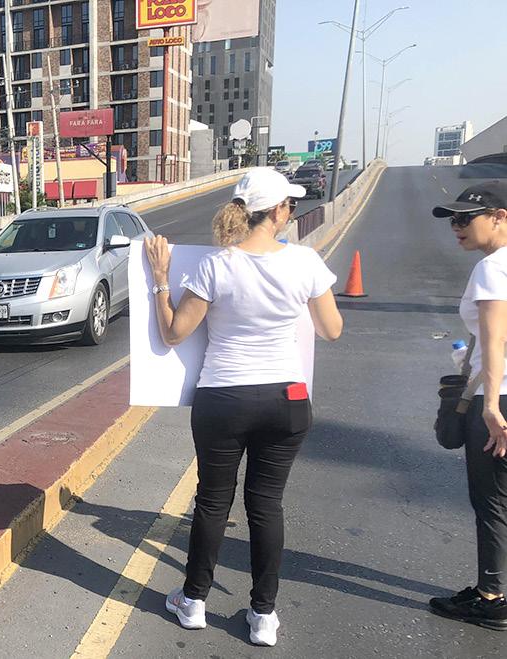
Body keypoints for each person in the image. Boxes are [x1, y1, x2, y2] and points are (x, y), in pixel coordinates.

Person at [144, 168, 343, 646]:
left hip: (224, 397)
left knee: (213, 501)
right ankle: (263, 616)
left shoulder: (216, 265)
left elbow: (173, 334)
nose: (291, 211)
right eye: (289, 204)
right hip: (286, 398)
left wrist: (160, 280)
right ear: (277, 212)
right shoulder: (305, 262)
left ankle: (193, 601)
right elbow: (331, 330)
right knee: (266, 504)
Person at [428, 182, 507, 632]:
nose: (456, 226)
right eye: (452, 219)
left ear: (499, 216)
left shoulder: (492, 268)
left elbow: (494, 339)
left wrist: (491, 405)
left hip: (498, 399)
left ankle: (491, 598)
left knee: (492, 501)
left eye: (465, 218)